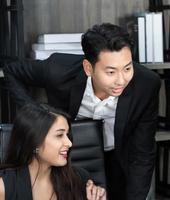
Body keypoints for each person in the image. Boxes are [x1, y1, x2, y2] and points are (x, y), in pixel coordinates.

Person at [4, 23, 161, 200]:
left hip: (119, 157)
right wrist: (37, 118)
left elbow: (143, 153)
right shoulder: (58, 69)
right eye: (111, 72)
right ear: (88, 68)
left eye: (127, 68)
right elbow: (12, 72)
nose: (121, 80)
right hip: (66, 156)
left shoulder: (146, 84)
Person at [0, 103, 106, 200]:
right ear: (34, 141)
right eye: (59, 135)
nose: (69, 143)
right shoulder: (4, 186)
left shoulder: (79, 178)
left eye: (67, 135)